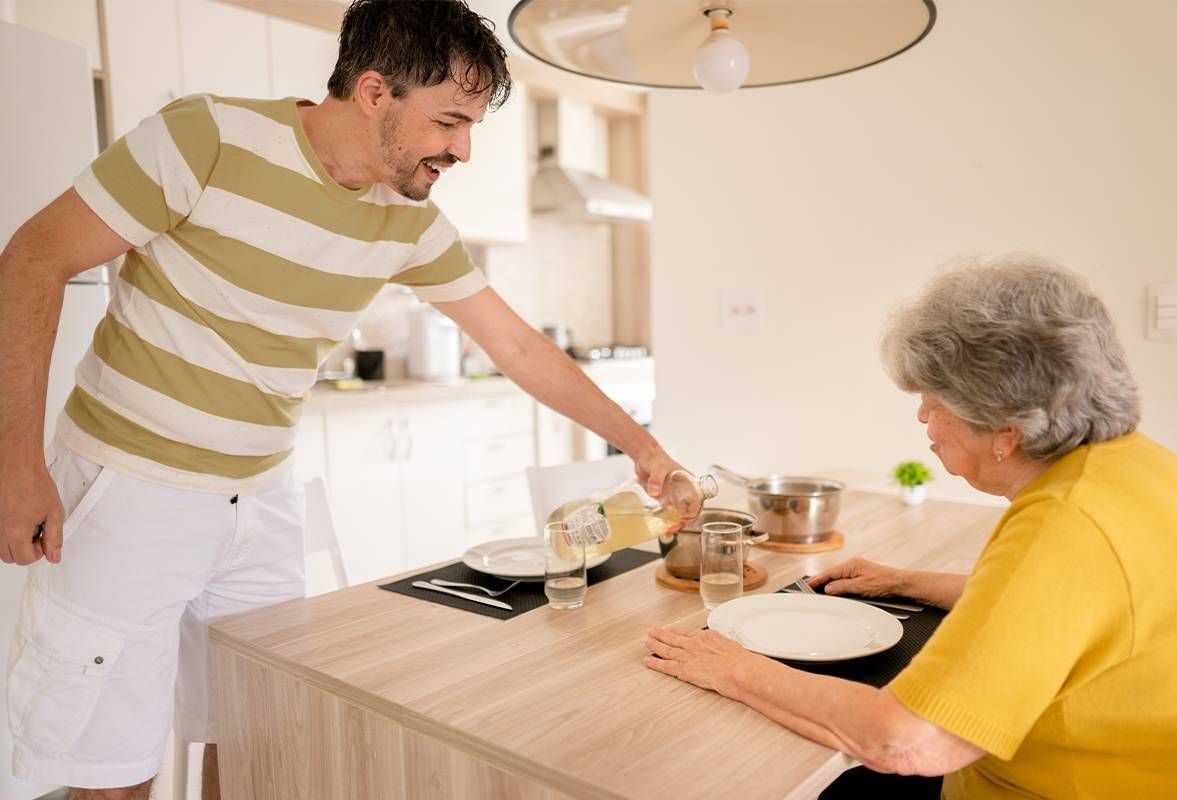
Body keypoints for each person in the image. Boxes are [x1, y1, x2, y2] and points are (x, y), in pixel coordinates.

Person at [0, 2, 682, 798]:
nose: (462, 150)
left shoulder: (409, 222)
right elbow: (29, 262)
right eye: (450, 122)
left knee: (260, 748)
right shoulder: (205, 138)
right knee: (113, 773)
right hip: (128, 493)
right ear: (372, 93)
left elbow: (519, 347)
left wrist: (643, 446)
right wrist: (16, 466)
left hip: (260, 501)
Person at [644, 255, 1177, 798]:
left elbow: (907, 742)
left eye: (935, 402)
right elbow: (1076, 619)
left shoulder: (1066, 522)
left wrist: (731, 668)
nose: (922, 416)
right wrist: (910, 581)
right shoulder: (1140, 471)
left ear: (1006, 429)